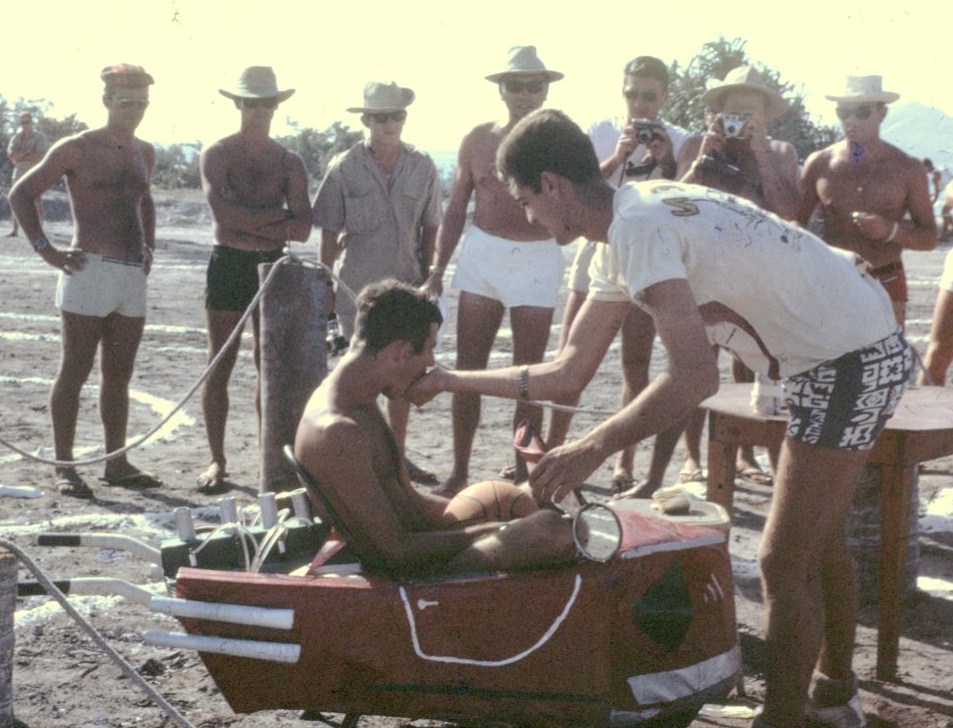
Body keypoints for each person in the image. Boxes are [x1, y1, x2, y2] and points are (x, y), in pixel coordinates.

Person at [410, 109, 911, 728]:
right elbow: (569, 370)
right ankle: (833, 698)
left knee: (784, 560)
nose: (528, 218)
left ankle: (786, 718)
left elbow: (694, 377)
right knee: (816, 539)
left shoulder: (638, 227)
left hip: (851, 356)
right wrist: (450, 379)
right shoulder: (622, 224)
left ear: (552, 185)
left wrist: (592, 447)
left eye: (526, 201)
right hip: (839, 344)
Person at [294, 279, 575, 577]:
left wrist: (485, 511)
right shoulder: (339, 432)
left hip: (415, 549)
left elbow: (408, 501)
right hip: (405, 575)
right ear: (401, 352)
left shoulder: (354, 397)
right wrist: (500, 529)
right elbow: (394, 551)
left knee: (532, 501)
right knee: (551, 530)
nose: (431, 362)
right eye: (429, 350)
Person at [9, 64, 162, 498]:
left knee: (119, 374)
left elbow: (145, 201)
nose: (135, 111)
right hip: (87, 268)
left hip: (130, 274)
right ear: (107, 101)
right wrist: (47, 249)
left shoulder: (144, 151)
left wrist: (149, 247)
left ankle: (117, 462)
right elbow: (21, 193)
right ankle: (65, 465)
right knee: (75, 369)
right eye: (126, 102)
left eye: (142, 104)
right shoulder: (77, 147)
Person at [422, 45, 565, 495]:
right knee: (468, 370)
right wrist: (437, 267)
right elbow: (455, 209)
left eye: (533, 85)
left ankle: (524, 477)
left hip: (537, 258)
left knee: (529, 378)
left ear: (545, 90)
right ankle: (459, 472)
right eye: (515, 84)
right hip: (483, 255)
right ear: (501, 88)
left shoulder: (561, 140)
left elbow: (583, 198)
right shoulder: (477, 139)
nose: (524, 93)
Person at [550, 55, 689, 497]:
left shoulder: (680, 139)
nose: (640, 105)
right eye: (632, 95)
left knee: (636, 362)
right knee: (570, 353)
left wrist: (667, 162)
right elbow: (580, 189)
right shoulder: (601, 131)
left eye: (649, 96)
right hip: (598, 243)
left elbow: (685, 198)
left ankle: (624, 462)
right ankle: (553, 446)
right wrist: (619, 155)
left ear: (665, 97)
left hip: (647, 251)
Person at [312, 80, 442, 486]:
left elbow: (431, 228)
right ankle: (361, 458)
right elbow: (329, 233)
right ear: (366, 119)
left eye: (397, 115)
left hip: (407, 289)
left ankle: (397, 459)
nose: (390, 124)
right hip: (357, 293)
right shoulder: (344, 167)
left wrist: (430, 275)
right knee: (360, 378)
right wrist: (326, 286)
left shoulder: (423, 166)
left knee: (402, 380)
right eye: (381, 116)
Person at [678, 65, 802, 489]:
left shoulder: (781, 153)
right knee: (696, 362)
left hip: (757, 270)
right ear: (717, 113)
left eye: (751, 114)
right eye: (734, 113)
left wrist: (760, 154)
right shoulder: (697, 145)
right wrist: (705, 157)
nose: (741, 122)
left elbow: (790, 213)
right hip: (704, 269)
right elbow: (672, 201)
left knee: (751, 364)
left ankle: (746, 453)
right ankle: (691, 456)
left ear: (765, 116)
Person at [197, 66, 312, 493]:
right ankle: (217, 459)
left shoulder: (288, 161)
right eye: (251, 102)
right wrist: (276, 219)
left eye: (265, 102)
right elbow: (223, 219)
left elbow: (303, 228)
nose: (258, 109)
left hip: (273, 266)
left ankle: (271, 460)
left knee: (271, 366)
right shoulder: (218, 154)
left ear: (276, 104)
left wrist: (250, 222)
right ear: (238, 104)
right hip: (229, 264)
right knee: (220, 361)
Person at [798, 75, 937, 328]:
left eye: (861, 112)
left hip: (886, 277)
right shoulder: (819, 163)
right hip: (832, 277)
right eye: (843, 112)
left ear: (882, 113)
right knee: (831, 351)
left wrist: (890, 231)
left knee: (886, 352)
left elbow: (929, 237)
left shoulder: (907, 168)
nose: (850, 120)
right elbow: (795, 225)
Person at [6, 112, 50, 237]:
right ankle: (15, 230)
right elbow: (12, 154)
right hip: (18, 172)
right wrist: (28, 154)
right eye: (22, 122)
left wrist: (22, 155)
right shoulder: (16, 137)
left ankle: (40, 230)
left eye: (27, 122)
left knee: (36, 201)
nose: (24, 125)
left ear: (32, 122)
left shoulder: (40, 138)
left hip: (34, 171)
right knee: (15, 199)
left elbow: (41, 156)